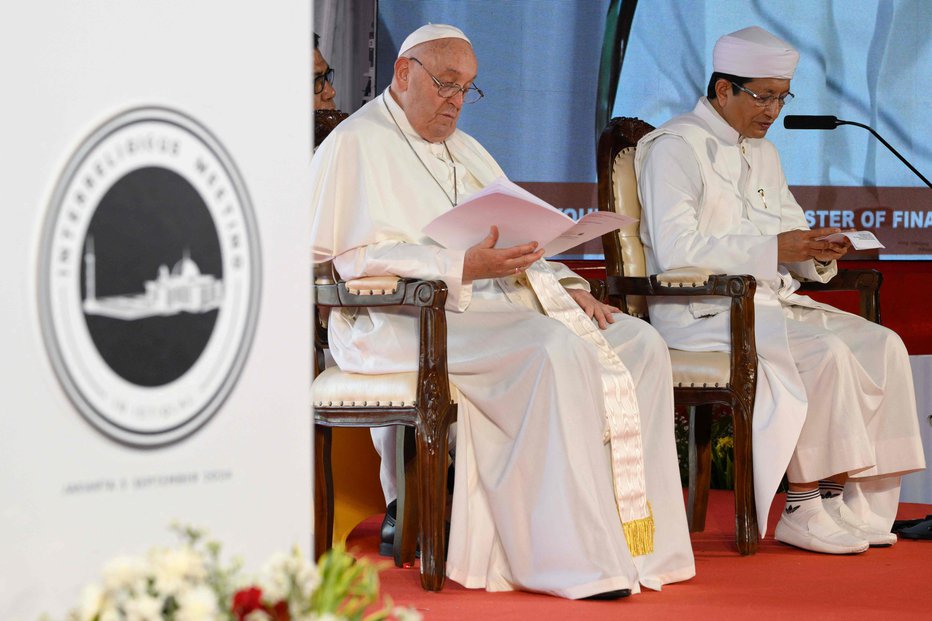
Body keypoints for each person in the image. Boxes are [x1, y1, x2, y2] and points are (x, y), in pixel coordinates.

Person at [311, 23, 694, 599]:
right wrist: (460, 265)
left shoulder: (465, 149)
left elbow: (519, 237)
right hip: (396, 320)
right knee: (552, 349)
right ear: (403, 73)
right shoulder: (355, 142)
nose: (456, 102)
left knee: (638, 344)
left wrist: (568, 289)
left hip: (482, 309)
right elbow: (342, 259)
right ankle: (561, 558)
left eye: (468, 90)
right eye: (446, 85)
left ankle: (636, 546)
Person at [635, 26, 926, 555]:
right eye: (762, 96)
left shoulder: (762, 153)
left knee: (882, 344)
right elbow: (678, 249)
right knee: (827, 353)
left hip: (769, 302)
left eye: (781, 96)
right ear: (723, 89)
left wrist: (817, 251)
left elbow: (788, 230)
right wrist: (775, 248)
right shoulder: (674, 147)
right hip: (703, 308)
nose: (773, 110)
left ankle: (849, 504)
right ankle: (803, 505)